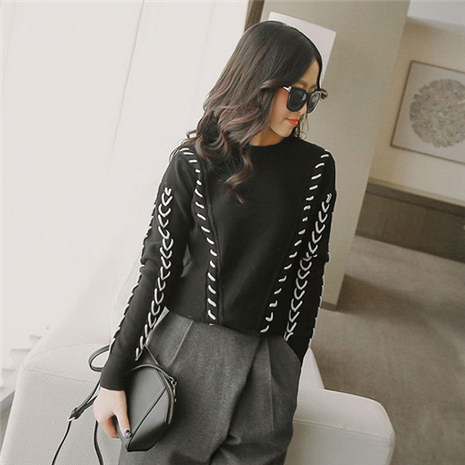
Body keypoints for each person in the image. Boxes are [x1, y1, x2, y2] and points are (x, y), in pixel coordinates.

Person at [93, 19, 337, 465]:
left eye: (313, 96)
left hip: (270, 364)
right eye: (296, 93)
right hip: (184, 358)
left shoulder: (317, 168)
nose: (303, 108)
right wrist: (113, 376)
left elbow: (310, 270)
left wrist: (289, 360)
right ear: (259, 83)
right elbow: (157, 269)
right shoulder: (192, 162)